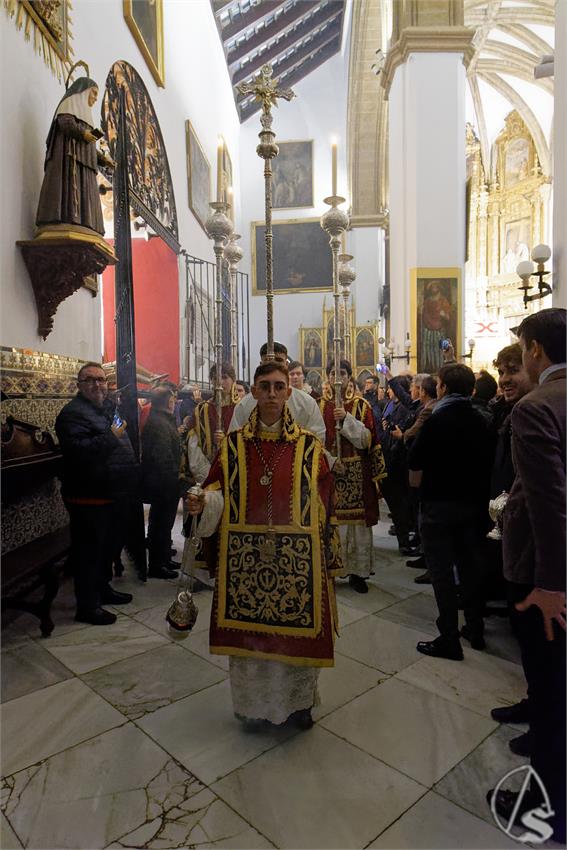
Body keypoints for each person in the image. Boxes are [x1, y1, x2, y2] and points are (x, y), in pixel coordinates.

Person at [186, 361, 343, 731]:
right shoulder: (233, 447)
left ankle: (298, 706)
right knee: (253, 644)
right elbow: (215, 490)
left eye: (278, 386)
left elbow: (324, 499)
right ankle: (253, 708)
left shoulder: (309, 447)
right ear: (253, 392)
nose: (271, 394)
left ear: (290, 392)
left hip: (297, 563)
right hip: (244, 563)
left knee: (294, 645)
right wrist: (203, 503)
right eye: (264, 386)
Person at [488, 309, 566, 843]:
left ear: (535, 351)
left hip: (547, 578)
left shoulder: (537, 407)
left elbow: (549, 502)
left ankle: (549, 806)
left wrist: (550, 585)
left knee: (551, 688)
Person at [408, 363, 493, 659]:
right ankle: (475, 628)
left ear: (441, 387)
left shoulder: (437, 419)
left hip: (438, 507)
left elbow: (415, 457)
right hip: (472, 507)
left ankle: (449, 638)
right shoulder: (482, 419)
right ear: (471, 389)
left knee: (442, 573)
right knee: (470, 568)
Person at [55, 362, 137, 625]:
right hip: (87, 495)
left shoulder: (105, 410)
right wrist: (112, 437)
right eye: (90, 380)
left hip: (112, 492)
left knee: (107, 548)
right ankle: (88, 607)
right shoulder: (71, 414)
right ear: (79, 385)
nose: (97, 384)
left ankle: (103, 589)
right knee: (89, 552)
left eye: (101, 380)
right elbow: (80, 453)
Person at [319, 360, 386, 593]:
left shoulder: (361, 405)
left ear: (349, 377)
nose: (337, 377)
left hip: (356, 473)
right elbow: (313, 441)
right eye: (333, 373)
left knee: (356, 524)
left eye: (343, 373)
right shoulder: (319, 406)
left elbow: (368, 440)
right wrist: (329, 460)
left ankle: (357, 573)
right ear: (327, 377)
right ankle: (331, 569)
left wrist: (346, 420)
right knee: (332, 522)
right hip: (330, 471)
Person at [36, 75, 106, 235]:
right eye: (94, 93)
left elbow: (88, 145)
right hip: (69, 159)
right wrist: (83, 133)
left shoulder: (86, 117)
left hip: (85, 165)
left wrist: (102, 159)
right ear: (83, 91)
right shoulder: (68, 106)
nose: (95, 98)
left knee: (86, 194)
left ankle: (86, 224)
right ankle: (67, 219)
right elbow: (65, 122)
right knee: (69, 192)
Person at [229, 342, 328, 447]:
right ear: (261, 364)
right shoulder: (244, 405)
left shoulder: (307, 403)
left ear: (286, 365)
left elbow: (317, 442)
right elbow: (234, 442)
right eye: (268, 361)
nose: (273, 365)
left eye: (278, 360)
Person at [141, 387, 182, 580]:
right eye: (173, 400)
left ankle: (164, 558)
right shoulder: (159, 424)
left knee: (165, 524)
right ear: (168, 402)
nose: (175, 403)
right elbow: (162, 456)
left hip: (165, 482)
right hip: (163, 482)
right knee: (160, 525)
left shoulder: (162, 420)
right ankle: (157, 565)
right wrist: (175, 476)